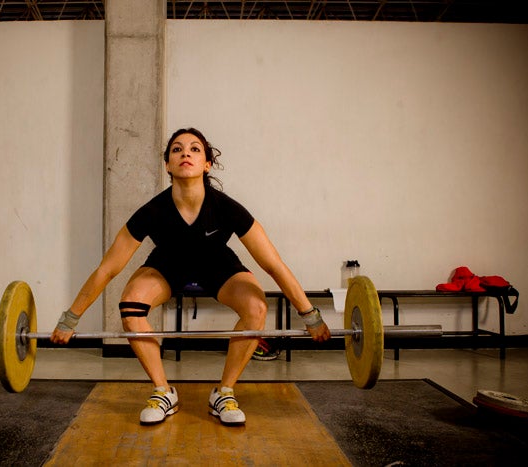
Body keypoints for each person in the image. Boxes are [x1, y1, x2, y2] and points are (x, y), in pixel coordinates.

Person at [51, 127, 330, 426]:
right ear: (167, 165)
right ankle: (163, 392)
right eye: (177, 149)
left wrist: (310, 316)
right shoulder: (152, 211)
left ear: (207, 164)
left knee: (256, 307)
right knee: (131, 304)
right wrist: (70, 319)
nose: (186, 153)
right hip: (167, 266)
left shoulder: (227, 208)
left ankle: (224, 393)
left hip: (218, 265)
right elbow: (108, 268)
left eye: (195, 149)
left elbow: (273, 265)